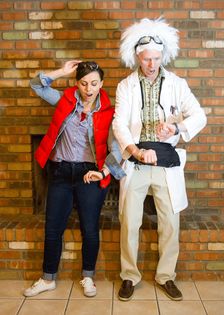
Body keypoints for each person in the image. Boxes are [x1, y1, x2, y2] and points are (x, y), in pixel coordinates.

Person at [112, 17, 207, 301]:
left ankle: (166, 276)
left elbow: (199, 115)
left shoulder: (178, 83)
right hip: (137, 159)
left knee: (170, 221)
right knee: (129, 221)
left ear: (162, 56)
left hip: (166, 161)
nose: (151, 64)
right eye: (146, 59)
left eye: (155, 58)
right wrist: (136, 151)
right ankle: (129, 276)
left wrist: (176, 128)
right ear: (137, 58)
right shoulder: (125, 86)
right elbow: (119, 124)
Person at [23, 60, 125, 298]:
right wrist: (61, 71)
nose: (89, 89)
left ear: (101, 84)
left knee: (89, 229)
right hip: (60, 173)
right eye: (83, 83)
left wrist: (104, 172)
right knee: (53, 229)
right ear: (77, 83)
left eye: (94, 83)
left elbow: (118, 147)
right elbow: (36, 85)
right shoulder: (65, 101)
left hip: (89, 175)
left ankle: (88, 277)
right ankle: (48, 278)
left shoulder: (109, 112)